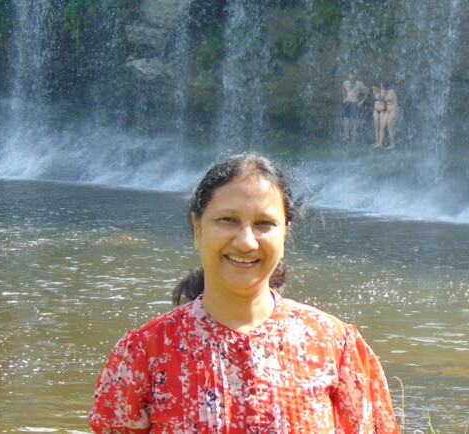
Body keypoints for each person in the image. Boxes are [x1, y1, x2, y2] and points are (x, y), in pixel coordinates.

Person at [89, 153, 399, 433]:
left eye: (264, 223)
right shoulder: (144, 354)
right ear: (198, 229)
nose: (246, 241)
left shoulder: (336, 347)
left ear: (285, 232)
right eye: (228, 220)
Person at [342, 72, 367, 143]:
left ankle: (354, 137)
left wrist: (362, 101)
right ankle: (347, 137)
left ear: (355, 78)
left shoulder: (359, 83)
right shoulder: (345, 83)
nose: (351, 80)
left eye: (353, 79)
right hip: (347, 103)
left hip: (355, 102)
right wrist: (344, 98)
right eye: (350, 79)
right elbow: (343, 89)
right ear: (348, 78)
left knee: (354, 121)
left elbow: (367, 91)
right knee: (346, 120)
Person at [375, 83, 398, 149]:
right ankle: (380, 143)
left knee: (390, 128)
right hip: (387, 111)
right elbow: (379, 99)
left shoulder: (392, 92)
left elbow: (396, 102)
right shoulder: (385, 93)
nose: (381, 88)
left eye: (382, 87)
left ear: (385, 87)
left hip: (393, 111)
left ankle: (393, 144)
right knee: (382, 126)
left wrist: (395, 113)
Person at [371, 83, 386, 148]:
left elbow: (386, 100)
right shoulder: (374, 92)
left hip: (382, 110)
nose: (374, 89)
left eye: (375, 88)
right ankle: (377, 142)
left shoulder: (383, 92)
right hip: (376, 110)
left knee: (381, 127)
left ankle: (381, 142)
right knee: (376, 127)